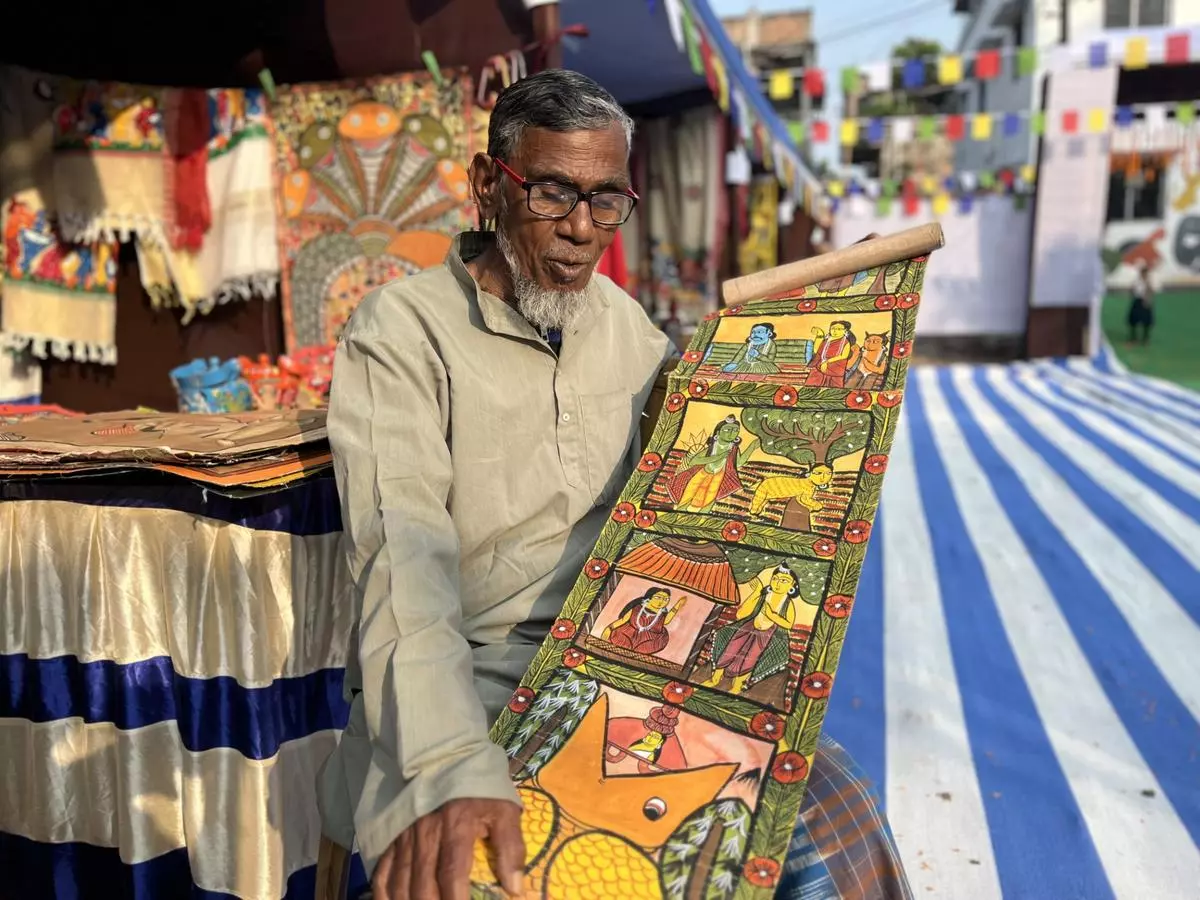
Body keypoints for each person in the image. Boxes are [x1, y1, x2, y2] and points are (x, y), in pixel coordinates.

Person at [322, 69, 911, 900]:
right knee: (522, 870)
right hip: (466, 685)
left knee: (832, 815)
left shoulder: (627, 327)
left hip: (627, 665)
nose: (580, 230)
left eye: (606, 200)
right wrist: (451, 763)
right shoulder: (402, 331)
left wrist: (821, 327)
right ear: (490, 184)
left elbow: (704, 470)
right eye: (554, 192)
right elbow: (401, 565)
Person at [1128, 259, 1156, 345]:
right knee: (1133, 320)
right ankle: (1134, 338)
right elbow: (1132, 290)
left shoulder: (1148, 281)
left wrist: (1148, 299)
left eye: (1145, 273)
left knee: (1146, 321)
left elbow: (1151, 291)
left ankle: (1145, 338)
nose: (1144, 275)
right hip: (1137, 301)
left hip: (1145, 301)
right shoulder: (1137, 281)